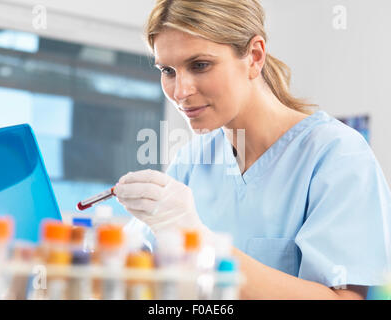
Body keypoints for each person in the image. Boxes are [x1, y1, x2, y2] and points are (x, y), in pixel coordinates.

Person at [114, 0, 391, 299]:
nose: (180, 91)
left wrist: (200, 241)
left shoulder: (336, 155)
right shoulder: (193, 160)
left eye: (200, 65)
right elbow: (142, 266)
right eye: (168, 70)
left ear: (254, 56)